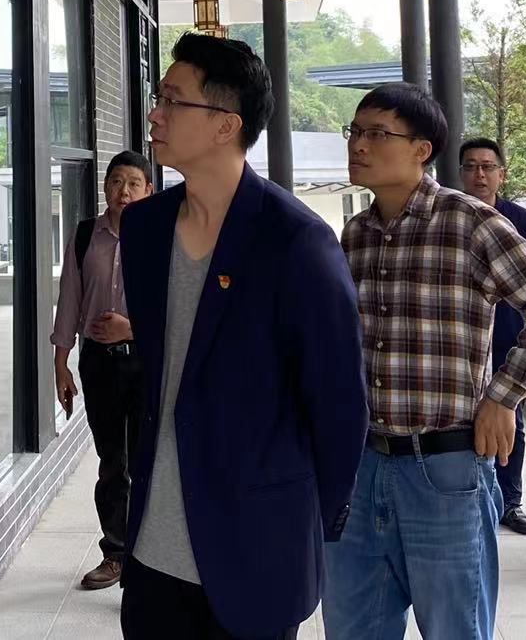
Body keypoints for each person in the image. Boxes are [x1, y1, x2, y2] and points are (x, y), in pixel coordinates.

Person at [119, 33, 367, 639]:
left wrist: (301, 521)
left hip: (256, 553)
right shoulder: (145, 228)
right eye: (158, 98)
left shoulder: (296, 242)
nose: (155, 114)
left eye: (173, 100)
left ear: (226, 125)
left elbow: (339, 407)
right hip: (154, 549)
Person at [325, 84, 526, 640]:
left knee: (455, 629)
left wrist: (503, 397)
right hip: (362, 466)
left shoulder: (470, 222)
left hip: (445, 469)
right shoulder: (356, 234)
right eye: (355, 132)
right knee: (352, 627)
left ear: (421, 149)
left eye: (377, 133)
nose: (359, 145)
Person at [51, 150, 154, 590]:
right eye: (115, 182)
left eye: (133, 183)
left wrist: (131, 327)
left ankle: (147, 558)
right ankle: (115, 553)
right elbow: (69, 299)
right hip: (98, 364)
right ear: (105, 187)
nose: (123, 191)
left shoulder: (163, 237)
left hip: (147, 361)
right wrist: (61, 363)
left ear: (148, 190)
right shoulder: (84, 236)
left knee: (147, 459)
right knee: (112, 460)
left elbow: (175, 305)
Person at [458, 137, 526, 536]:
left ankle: (510, 501)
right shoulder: (451, 216)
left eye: (488, 166)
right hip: (463, 330)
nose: (480, 174)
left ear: (502, 175)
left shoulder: (519, 219)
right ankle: (473, 497)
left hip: (507, 328)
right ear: (460, 173)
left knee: (511, 418)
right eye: (471, 166)